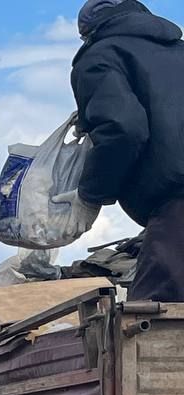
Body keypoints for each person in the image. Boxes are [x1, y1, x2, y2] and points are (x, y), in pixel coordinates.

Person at [72, 0, 184, 301]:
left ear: (88, 33)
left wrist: (92, 193)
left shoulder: (100, 57)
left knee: (150, 316)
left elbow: (123, 128)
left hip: (177, 208)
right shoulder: (179, 52)